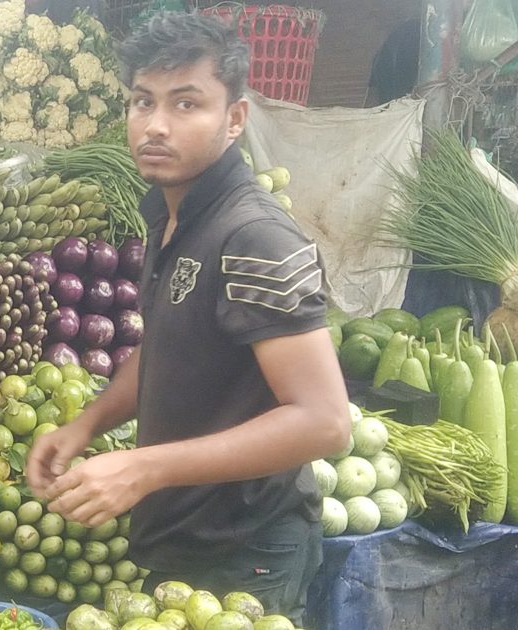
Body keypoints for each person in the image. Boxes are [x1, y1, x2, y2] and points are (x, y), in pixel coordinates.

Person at [25, 12, 350, 625]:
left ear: (235, 119)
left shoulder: (254, 236)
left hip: (244, 547)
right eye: (142, 102)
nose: (155, 125)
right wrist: (89, 423)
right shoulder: (170, 214)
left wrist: (145, 466)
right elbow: (169, 344)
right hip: (180, 531)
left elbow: (325, 423)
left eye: (186, 104)